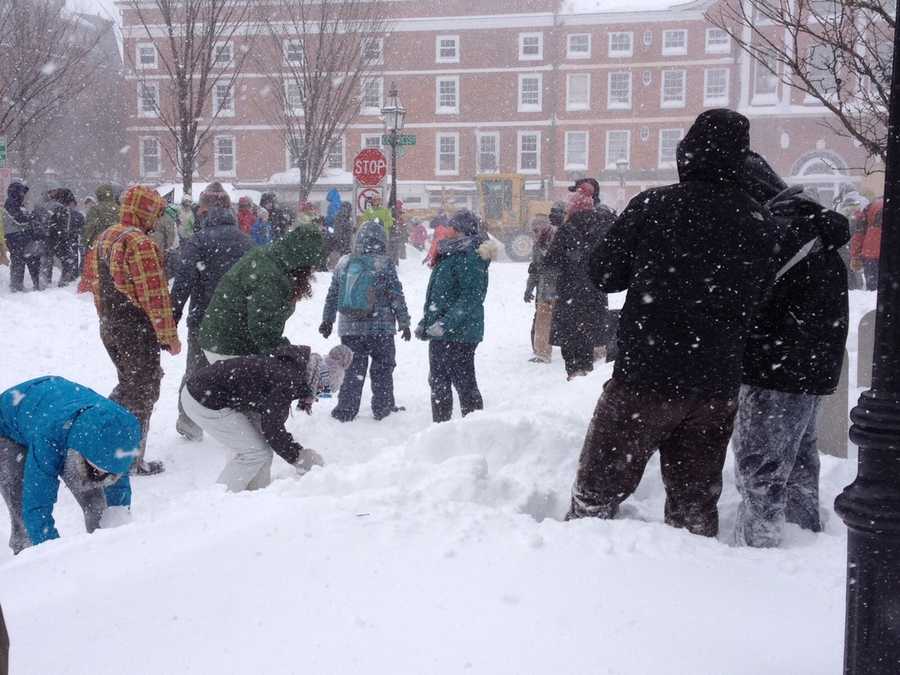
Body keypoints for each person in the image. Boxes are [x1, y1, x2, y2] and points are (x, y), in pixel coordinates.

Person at [567, 109, 806, 537]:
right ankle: (690, 583)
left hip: (645, 377)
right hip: (715, 384)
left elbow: (603, 273)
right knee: (693, 506)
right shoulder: (760, 224)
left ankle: (576, 572)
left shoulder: (655, 205)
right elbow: (762, 294)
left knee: (596, 495)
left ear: (687, 154)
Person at [732, 152, 850, 547]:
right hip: (810, 366)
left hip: (773, 366)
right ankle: (803, 533)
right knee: (799, 457)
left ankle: (758, 547)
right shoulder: (813, 226)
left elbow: (751, 298)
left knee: (759, 464)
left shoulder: (777, 233)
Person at [83, 185, 182, 476]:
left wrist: (108, 321)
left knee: (129, 386)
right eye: (155, 213)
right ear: (144, 210)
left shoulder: (107, 236)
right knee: (142, 393)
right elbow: (155, 295)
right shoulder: (139, 243)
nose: (155, 220)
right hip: (135, 329)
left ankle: (98, 442)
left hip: (111, 324)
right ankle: (124, 459)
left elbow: (98, 288)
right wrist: (168, 336)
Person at [181, 345, 352, 492]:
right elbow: (273, 430)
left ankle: (255, 498)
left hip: (208, 390)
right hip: (203, 399)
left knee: (262, 450)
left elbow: (269, 422)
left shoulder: (297, 368)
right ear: (319, 382)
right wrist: (299, 456)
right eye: (323, 392)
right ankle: (219, 501)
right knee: (254, 453)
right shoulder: (288, 380)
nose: (316, 398)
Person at [0, 376, 140, 553]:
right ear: (81, 452)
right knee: (25, 513)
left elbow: (118, 489)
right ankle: (25, 552)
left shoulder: (119, 435)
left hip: (57, 412)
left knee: (97, 504)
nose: (100, 474)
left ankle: (104, 553)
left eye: (106, 472)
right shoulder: (49, 437)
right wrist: (53, 556)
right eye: (95, 468)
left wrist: (118, 527)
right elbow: (37, 501)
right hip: (8, 428)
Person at [170, 185, 252, 442]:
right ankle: (239, 418)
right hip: (238, 318)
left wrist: (173, 314)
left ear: (205, 213)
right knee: (238, 369)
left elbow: (183, 279)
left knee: (196, 369)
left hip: (203, 317)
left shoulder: (198, 240)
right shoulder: (246, 242)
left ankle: (188, 419)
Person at [320, 219, 412, 422]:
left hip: (350, 327)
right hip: (381, 327)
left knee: (353, 370)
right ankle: (383, 407)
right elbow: (396, 295)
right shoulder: (384, 263)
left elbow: (333, 294)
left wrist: (327, 320)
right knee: (383, 368)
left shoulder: (344, 262)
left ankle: (346, 409)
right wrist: (404, 322)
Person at [415, 210, 498, 423]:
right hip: (443, 333)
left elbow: (471, 298)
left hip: (460, 334)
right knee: (438, 382)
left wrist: (444, 323)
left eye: (451, 226)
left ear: (460, 230)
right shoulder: (451, 253)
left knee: (464, 384)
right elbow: (441, 296)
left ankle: (474, 429)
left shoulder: (469, 256)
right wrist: (428, 322)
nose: (446, 229)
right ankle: (441, 429)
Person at [200, 224, 324, 361]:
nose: (313, 271)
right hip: (230, 346)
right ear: (303, 262)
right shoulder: (271, 275)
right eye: (312, 266)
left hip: (224, 338)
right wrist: (291, 356)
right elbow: (262, 328)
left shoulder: (273, 258)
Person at [545, 183, 612, 379]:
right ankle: (585, 375)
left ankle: (574, 375)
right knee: (587, 339)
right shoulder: (603, 227)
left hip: (570, 294)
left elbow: (551, 261)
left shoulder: (567, 229)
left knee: (571, 340)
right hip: (594, 292)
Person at [524, 202, 562, 364]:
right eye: (533, 229)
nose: (535, 232)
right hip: (544, 289)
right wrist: (529, 289)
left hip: (558, 288)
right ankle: (542, 352)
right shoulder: (538, 244)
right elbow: (534, 268)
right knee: (542, 321)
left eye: (537, 228)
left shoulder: (559, 238)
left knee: (553, 320)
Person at [3, 180, 41, 292]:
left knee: (21, 260)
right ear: (15, 192)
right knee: (18, 260)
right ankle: (16, 285)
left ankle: (18, 284)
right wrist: (30, 218)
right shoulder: (11, 202)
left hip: (18, 237)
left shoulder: (17, 203)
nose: (23, 195)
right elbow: (18, 218)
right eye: (21, 192)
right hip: (15, 237)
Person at [850, 196, 882, 291]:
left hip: (871, 253)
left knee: (873, 291)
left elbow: (859, 234)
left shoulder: (872, 205)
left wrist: (855, 256)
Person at [82, 184, 120, 250]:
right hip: (117, 243)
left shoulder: (95, 209)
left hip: (99, 244)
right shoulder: (120, 208)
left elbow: (90, 227)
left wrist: (85, 241)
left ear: (98, 195)